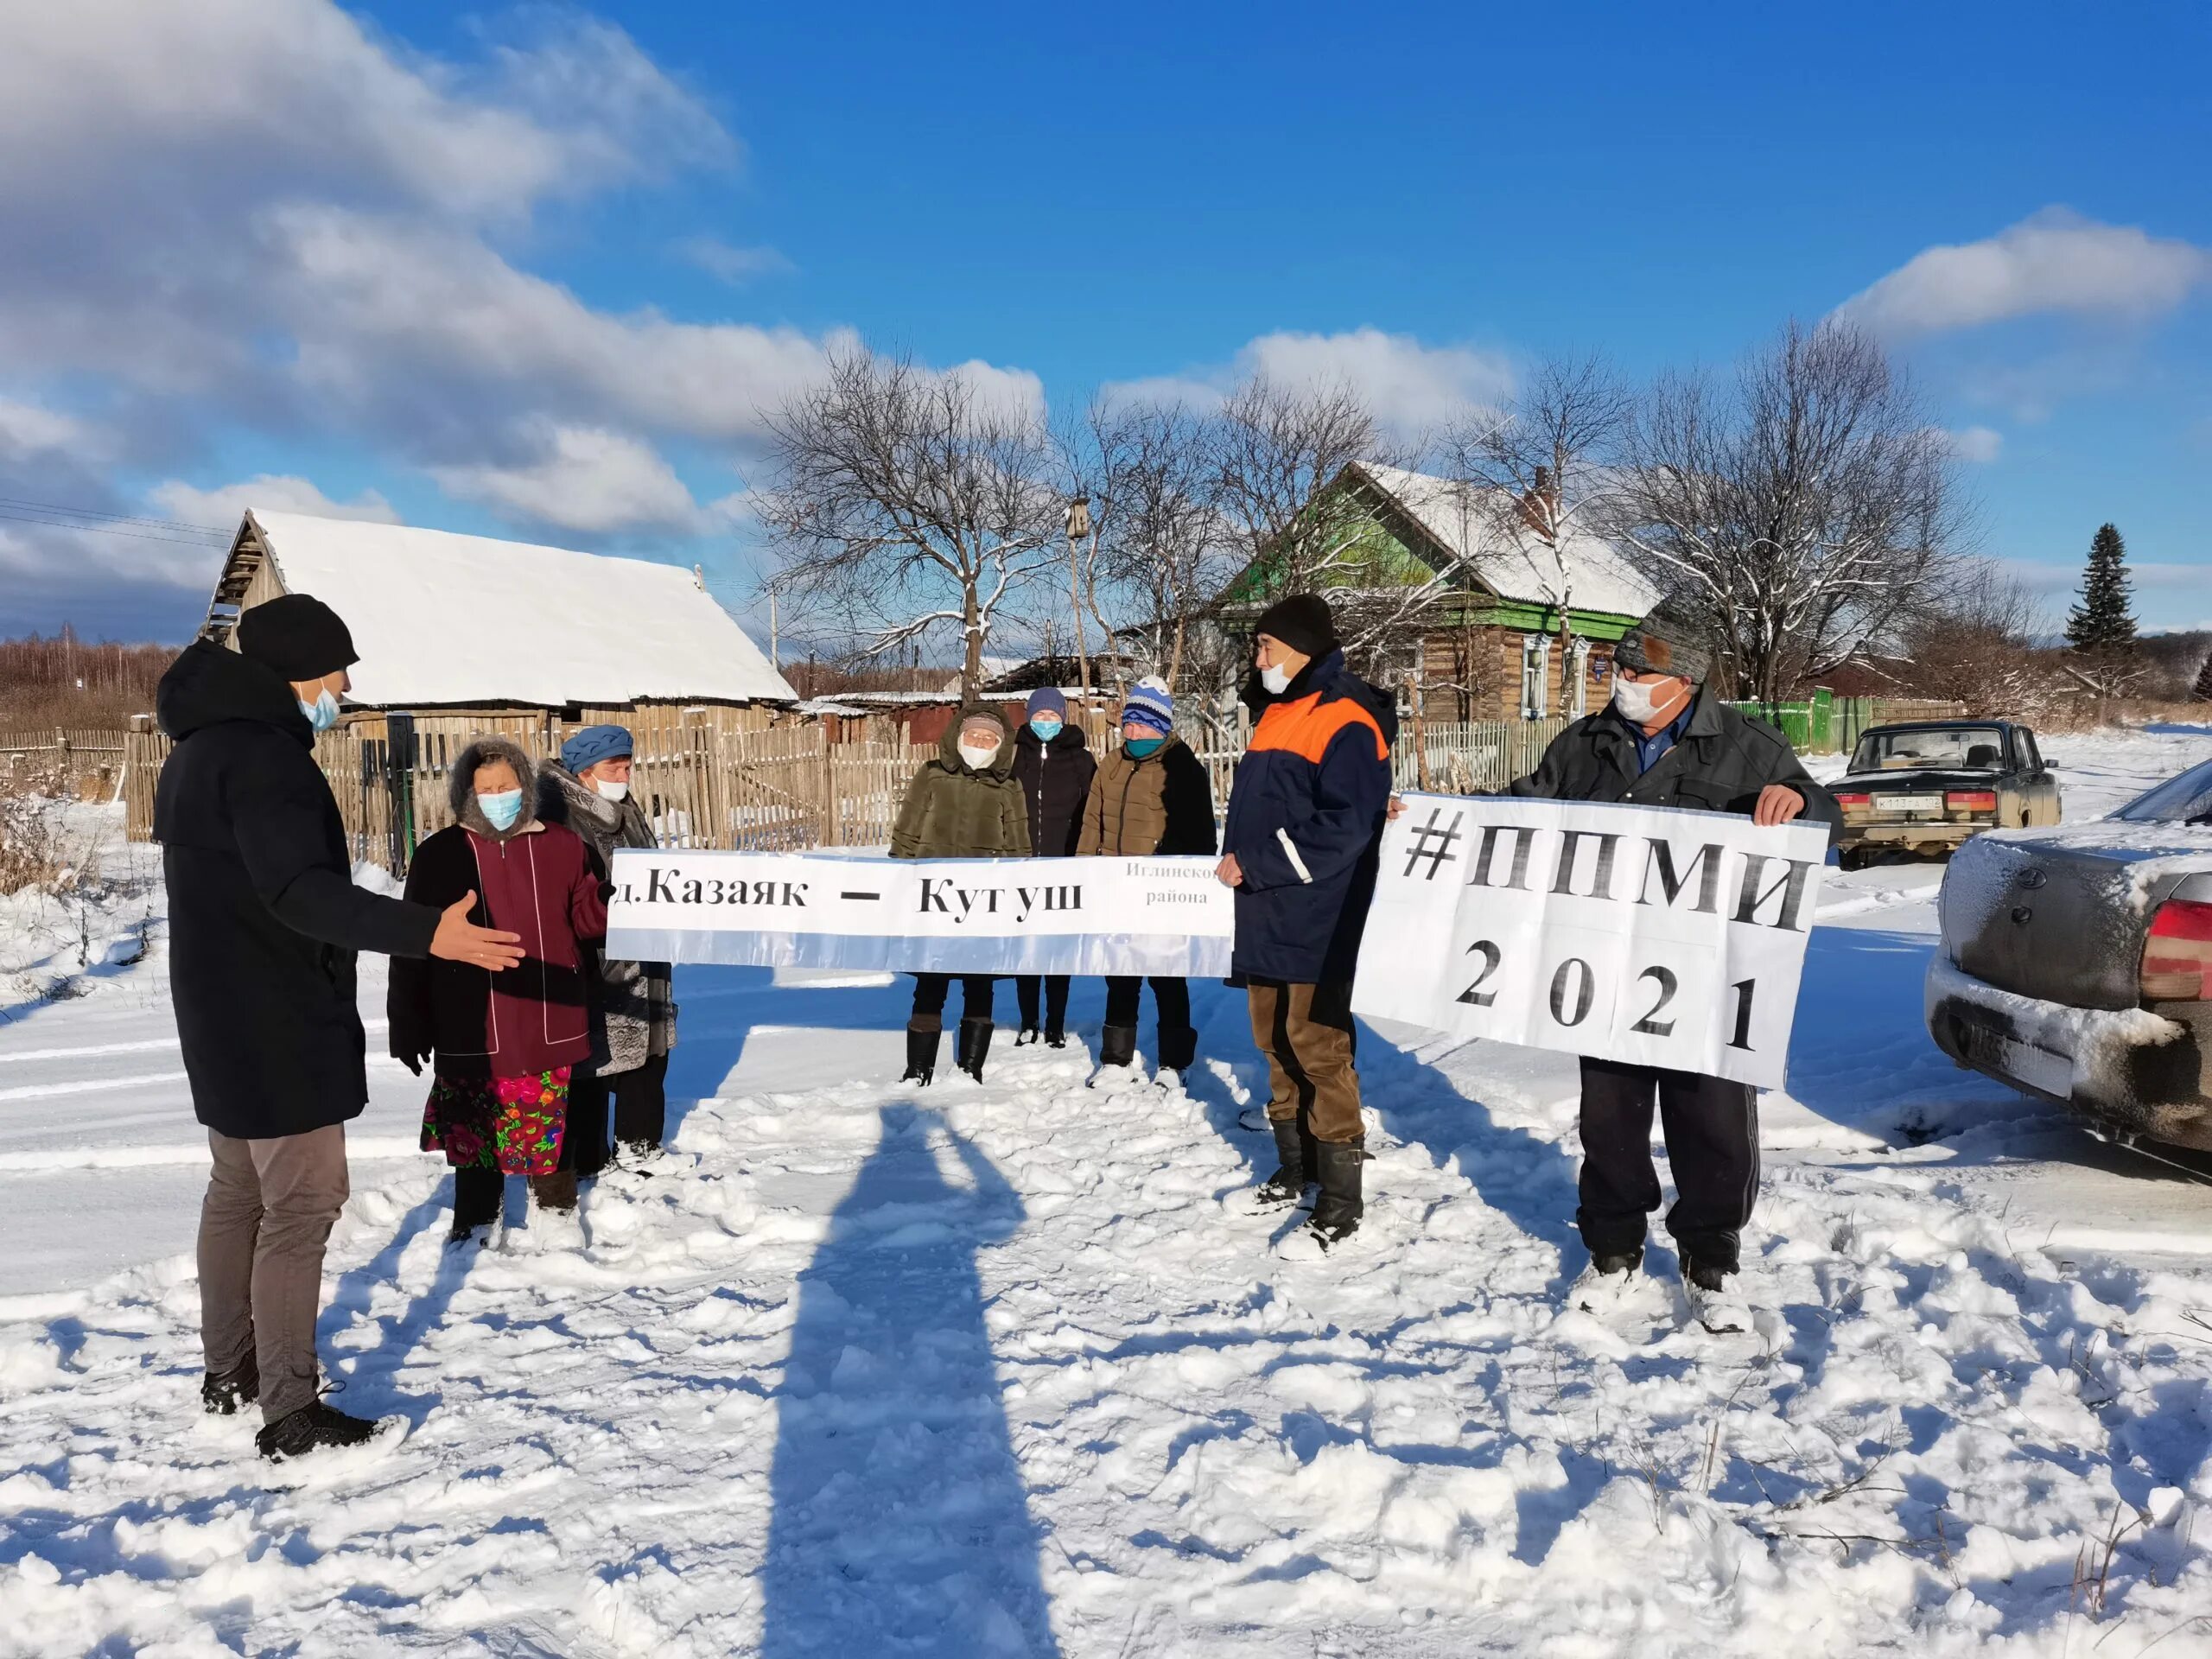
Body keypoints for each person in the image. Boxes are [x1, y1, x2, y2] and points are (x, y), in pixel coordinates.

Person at [154, 594, 526, 1462]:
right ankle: (289, 1411)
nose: (346, 686)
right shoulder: (264, 760)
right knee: (302, 1204)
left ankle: (230, 1373)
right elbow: (299, 894)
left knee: (238, 1192)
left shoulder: (198, 749)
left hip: (216, 1011)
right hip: (276, 1018)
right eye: (336, 671)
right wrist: (429, 931)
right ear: (296, 674)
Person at [1503, 624, 1841, 1332]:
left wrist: (1801, 805)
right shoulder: (1584, 745)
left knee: (1711, 1119)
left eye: (1635, 670)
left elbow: (1825, 819)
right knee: (1609, 1117)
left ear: (1684, 681)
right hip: (1605, 965)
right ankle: (1613, 1250)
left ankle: (1711, 1260)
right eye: (1618, 668)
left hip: (1707, 974)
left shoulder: (1749, 748)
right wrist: (1444, 816)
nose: (1621, 680)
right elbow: (1520, 811)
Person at [1216, 594, 1395, 1253]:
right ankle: (1297, 1169)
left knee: (1318, 1047)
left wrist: (1256, 863)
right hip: (1267, 910)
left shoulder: (1345, 717)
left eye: (1266, 646)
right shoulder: (1278, 714)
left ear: (1302, 648)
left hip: (1318, 916)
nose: (1257, 658)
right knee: (1273, 1042)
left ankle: (1341, 1200)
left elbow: (1345, 825)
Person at [390, 738, 609, 1243]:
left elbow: (585, 921)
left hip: (549, 1014)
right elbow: (410, 946)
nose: (496, 796)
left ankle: (556, 1212)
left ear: (525, 788)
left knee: (553, 1118)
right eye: (484, 788)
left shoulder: (562, 844)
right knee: (475, 1125)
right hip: (471, 1018)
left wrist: (609, 901)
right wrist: (408, 1021)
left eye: (506, 786)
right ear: (466, 793)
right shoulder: (440, 854)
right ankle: (474, 1221)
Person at [539, 725, 676, 1176]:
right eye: (613, 766)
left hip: (645, 952)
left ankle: (640, 1145)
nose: (625, 773)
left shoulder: (627, 808)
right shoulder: (560, 815)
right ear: (584, 772)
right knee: (592, 1061)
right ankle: (585, 1159)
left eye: (628, 764)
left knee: (649, 1051)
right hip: (596, 957)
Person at [1078, 677, 1216, 1074]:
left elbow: (1200, 835)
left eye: (1141, 722)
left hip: (1162, 894)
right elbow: (1092, 822)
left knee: (1167, 978)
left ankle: (1174, 1065)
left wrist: (1187, 888)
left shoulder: (1182, 767)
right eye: (1129, 722)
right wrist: (1086, 870)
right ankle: (1115, 1060)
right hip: (1116, 890)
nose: (1132, 730)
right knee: (1121, 976)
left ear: (1161, 725)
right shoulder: (1112, 763)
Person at [890, 707, 1031, 1084]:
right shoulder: (932, 775)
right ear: (958, 737)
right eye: (974, 736)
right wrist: (898, 873)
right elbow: (908, 826)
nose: (981, 743)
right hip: (933, 897)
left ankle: (971, 1067)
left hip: (985, 901)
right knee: (930, 983)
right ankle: (918, 1069)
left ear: (1001, 746)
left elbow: (1019, 845)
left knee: (979, 983)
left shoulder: (1008, 786)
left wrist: (1021, 889)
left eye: (990, 739)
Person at [1007, 687, 1094, 1047]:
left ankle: (1055, 1022)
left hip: (1065, 865)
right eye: (1039, 716)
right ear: (1030, 718)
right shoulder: (1014, 756)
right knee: (1026, 946)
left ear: (1063, 718)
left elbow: (1093, 808)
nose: (1046, 722)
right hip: (1022, 863)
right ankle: (1028, 1021)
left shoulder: (1081, 759)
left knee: (1058, 948)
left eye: (1052, 716)